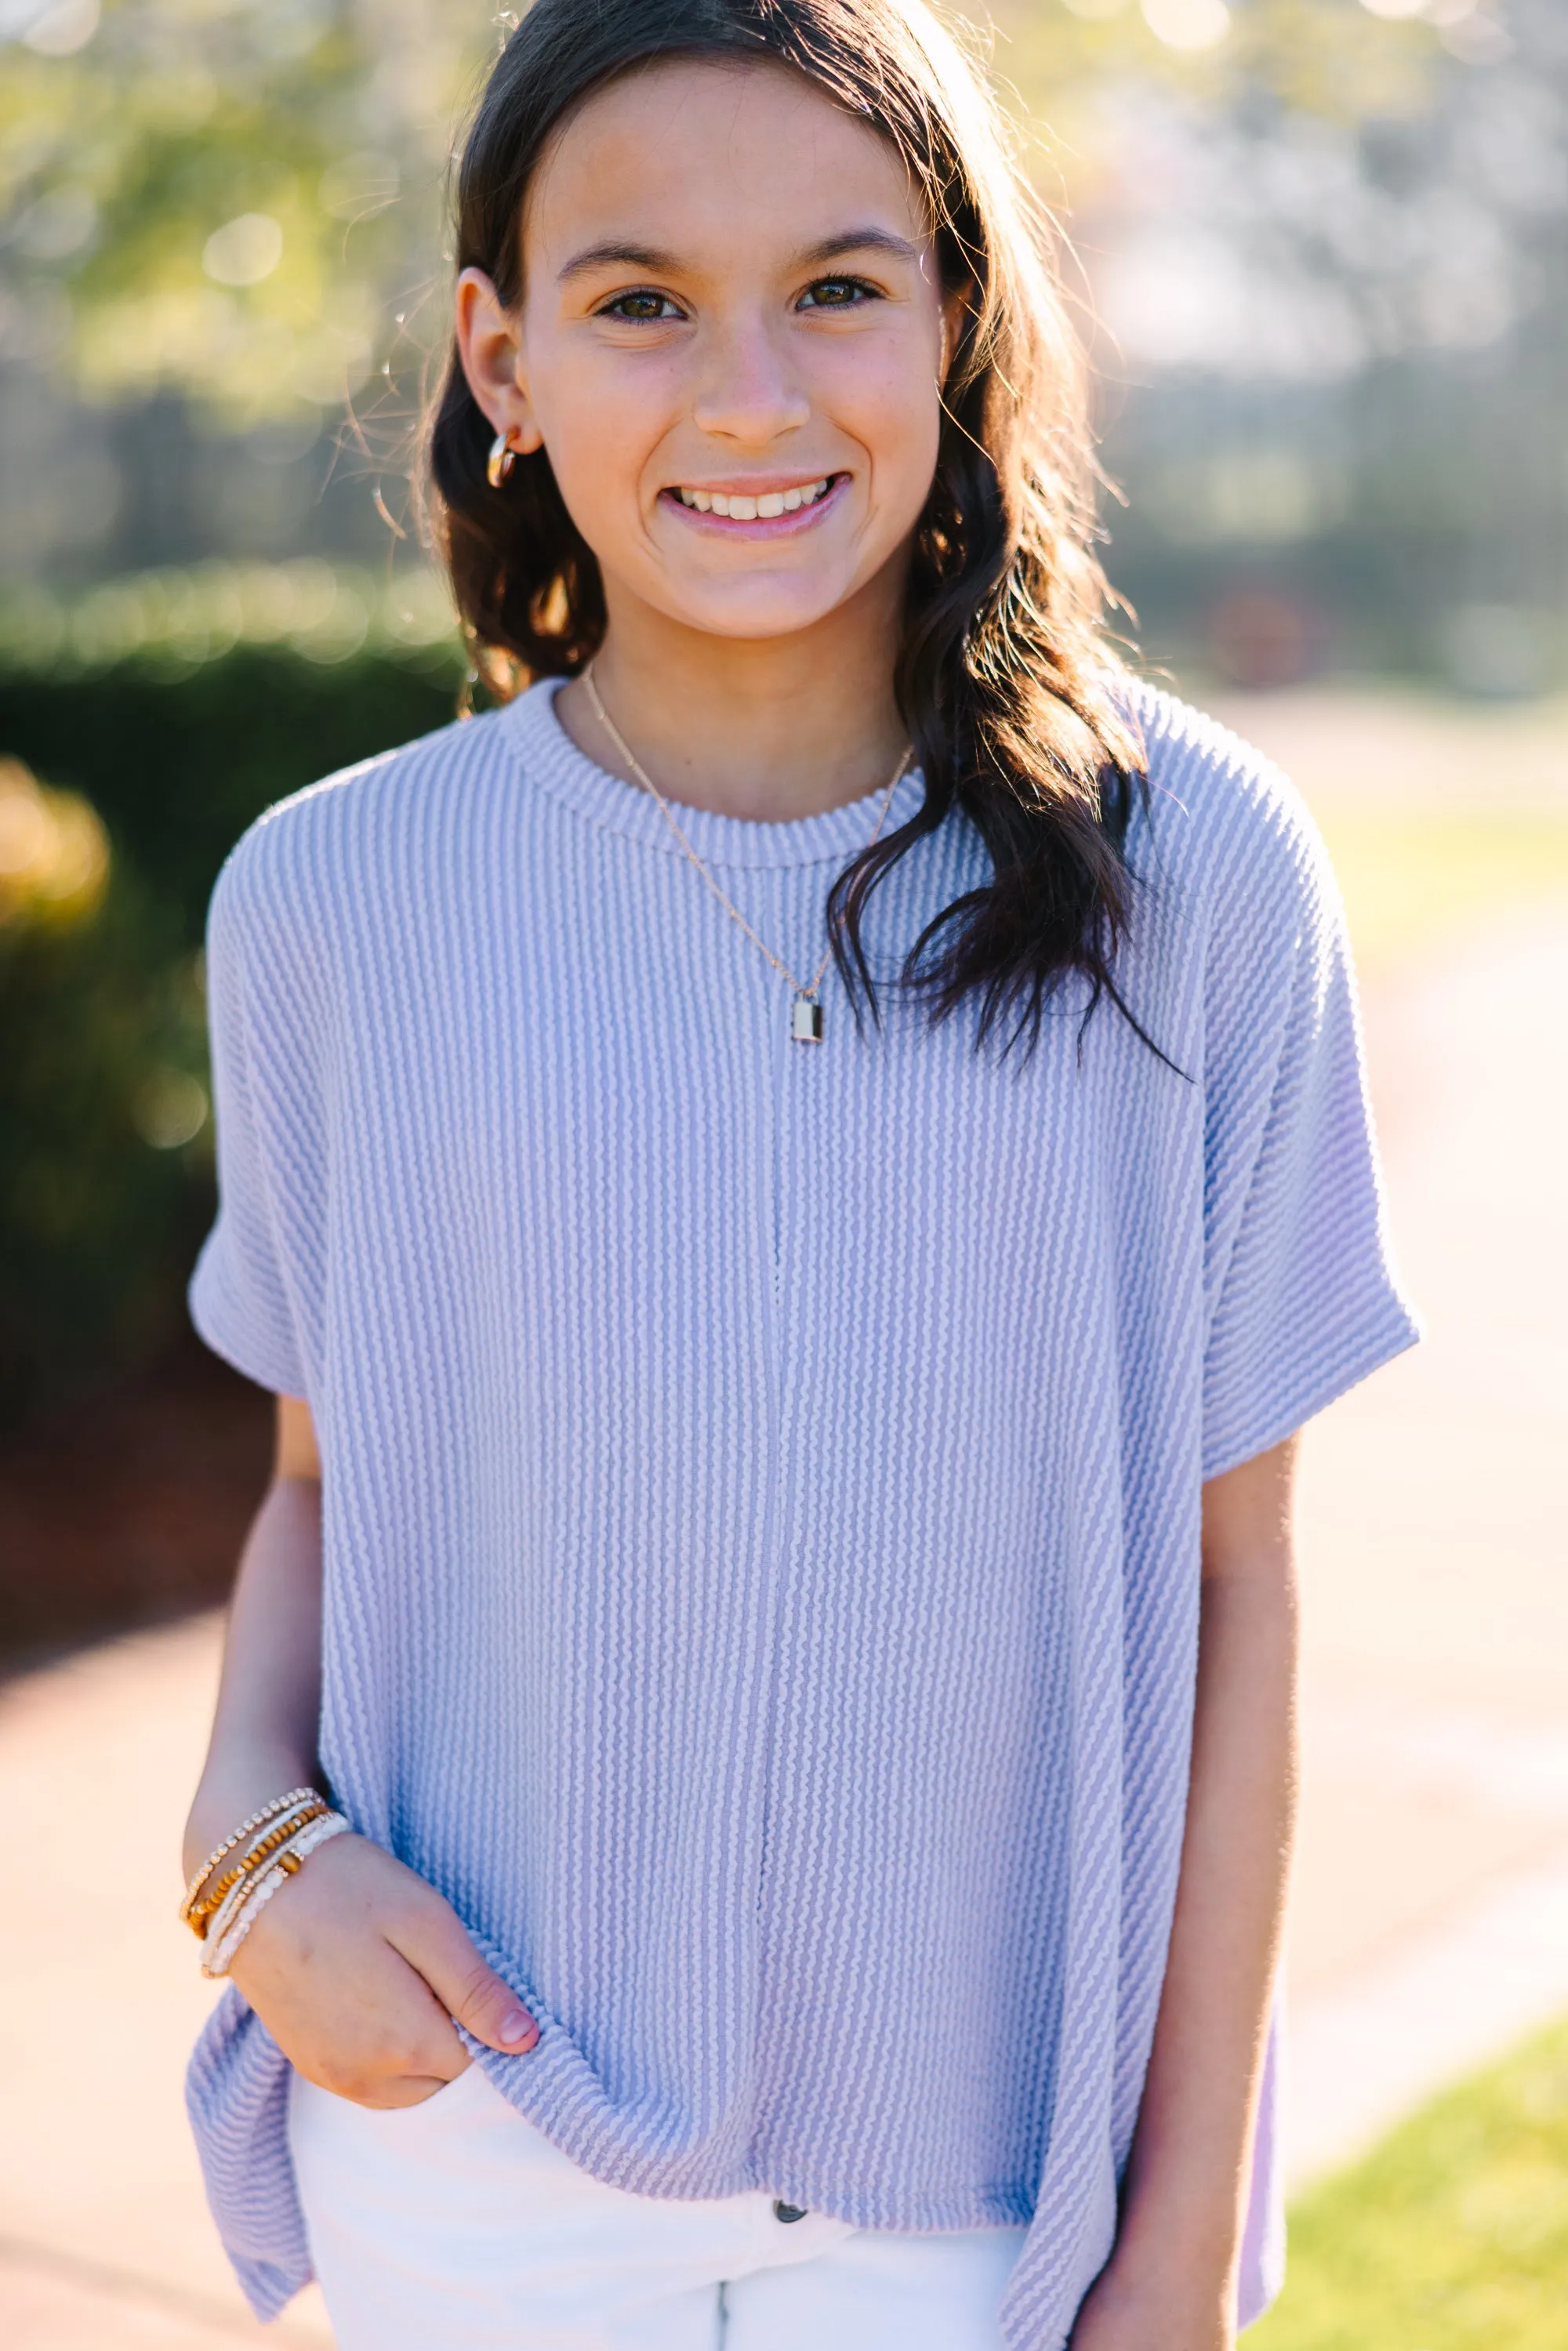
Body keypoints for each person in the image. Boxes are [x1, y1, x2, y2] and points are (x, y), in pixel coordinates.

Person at [177, 2, 1417, 2346]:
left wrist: (1172, 2251)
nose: (749, 392)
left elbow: (1238, 1593)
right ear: (505, 355)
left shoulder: (1208, 876)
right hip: (471, 2157)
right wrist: (244, 1851)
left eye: (839, 286)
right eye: (640, 299)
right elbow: (328, 1493)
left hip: (986, 2205)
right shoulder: (332, 903)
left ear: (956, 325)